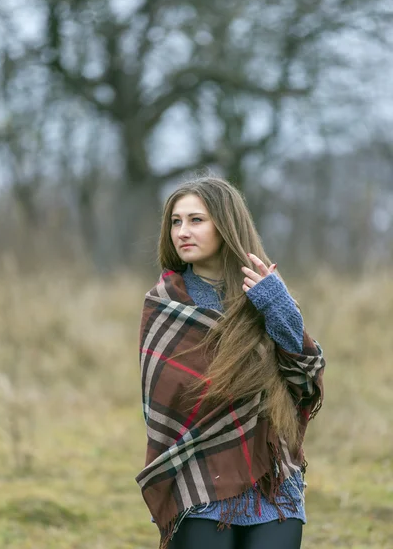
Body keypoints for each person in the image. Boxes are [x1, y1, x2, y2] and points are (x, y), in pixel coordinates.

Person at [136, 176, 325, 549]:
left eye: (196, 220)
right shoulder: (164, 304)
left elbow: (304, 378)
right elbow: (167, 401)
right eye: (176, 221)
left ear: (226, 225)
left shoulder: (265, 292)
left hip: (272, 479)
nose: (183, 232)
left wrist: (276, 305)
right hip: (199, 477)